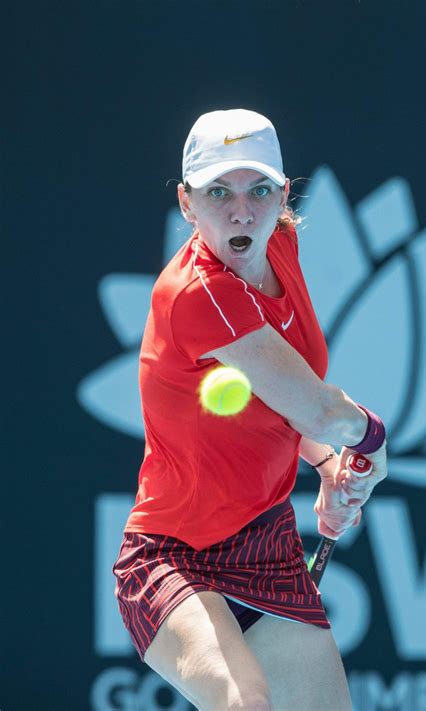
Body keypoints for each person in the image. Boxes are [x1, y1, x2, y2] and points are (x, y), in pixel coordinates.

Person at [113, 108, 388, 711]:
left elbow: (282, 398)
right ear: (187, 203)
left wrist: (323, 466)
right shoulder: (197, 293)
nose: (242, 211)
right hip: (170, 555)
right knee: (246, 704)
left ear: (284, 193)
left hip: (265, 543)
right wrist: (370, 440)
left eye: (259, 189)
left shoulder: (281, 247)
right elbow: (317, 409)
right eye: (218, 192)